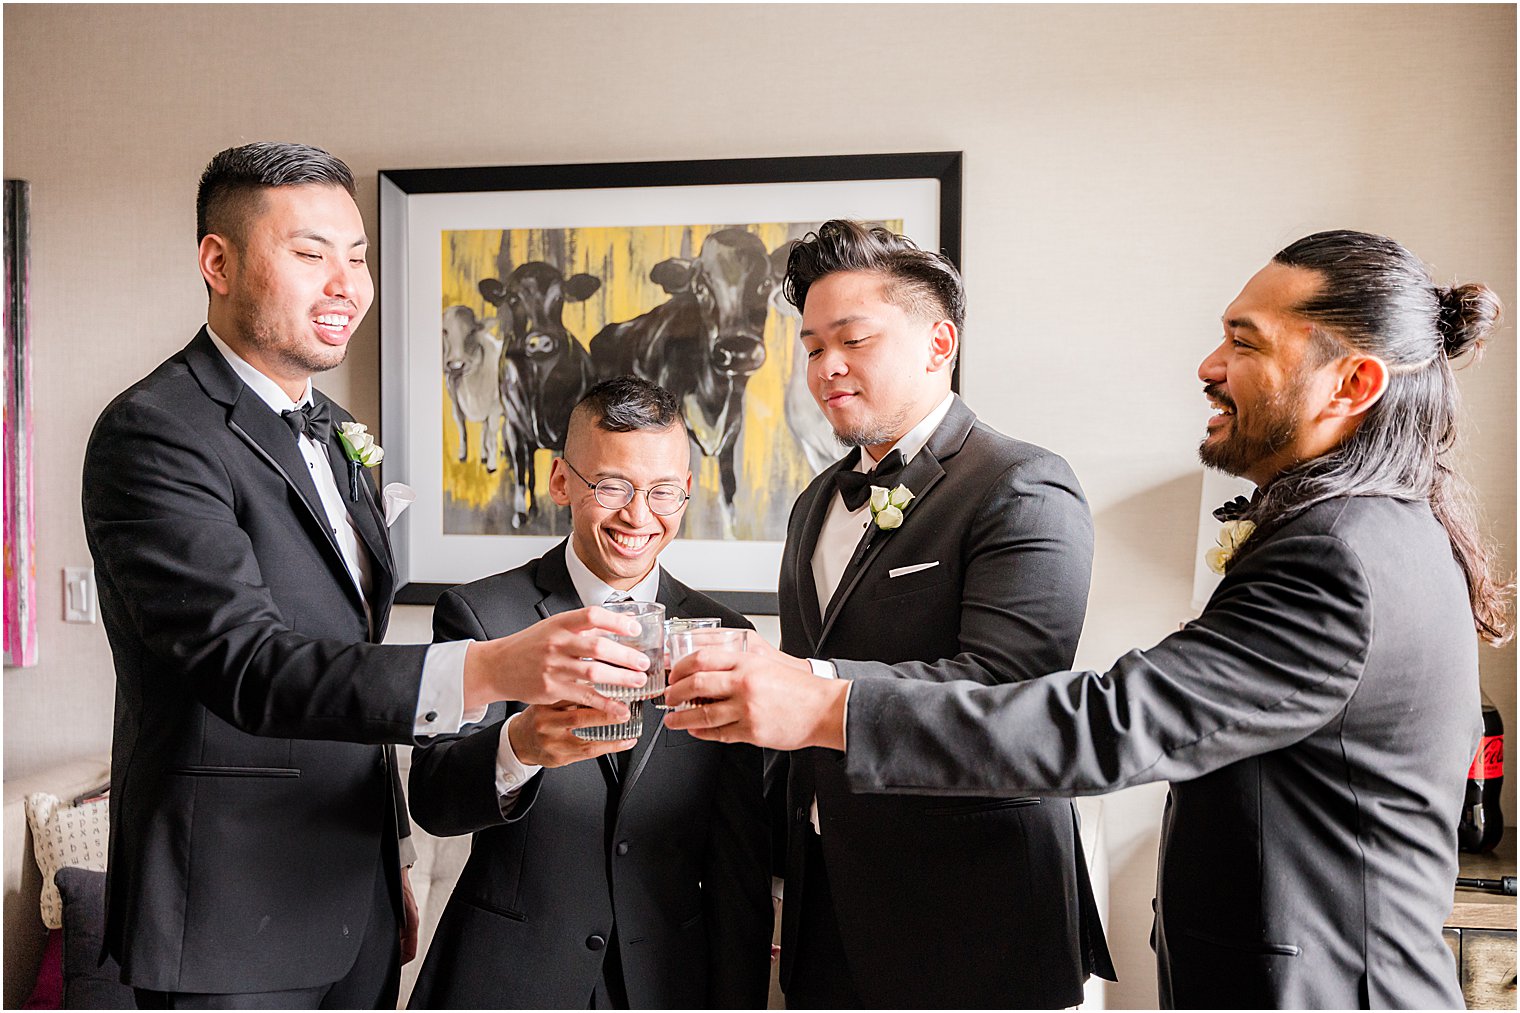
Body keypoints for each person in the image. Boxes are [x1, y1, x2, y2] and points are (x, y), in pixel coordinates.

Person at [666, 229, 1511, 1009]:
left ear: (1355, 382)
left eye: (1246, 340)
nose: (1210, 363)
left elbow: (1107, 721)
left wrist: (819, 701)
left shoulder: (1339, 552)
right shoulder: (1378, 528)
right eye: (812, 346)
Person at [82, 142, 648, 1009]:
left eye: (358, 257)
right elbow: (247, 661)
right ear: (218, 261)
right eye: (311, 255)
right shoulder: (155, 432)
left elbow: (344, 653)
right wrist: (497, 665)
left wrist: (394, 860)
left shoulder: (337, 429)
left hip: (356, 899)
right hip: (230, 915)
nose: (347, 283)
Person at [674, 220, 1114, 1007]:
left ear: (938, 345)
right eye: (810, 347)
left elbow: (1009, 693)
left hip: (974, 917)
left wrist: (804, 682)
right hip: (826, 914)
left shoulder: (1024, 485)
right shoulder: (814, 501)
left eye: (852, 339)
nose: (826, 367)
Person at [405, 376, 772, 1009]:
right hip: (511, 982)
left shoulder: (726, 637)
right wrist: (516, 746)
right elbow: (435, 800)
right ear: (561, 482)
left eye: (661, 491)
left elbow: (738, 862)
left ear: (686, 491)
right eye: (612, 486)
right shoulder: (482, 614)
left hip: (668, 984)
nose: (638, 515)